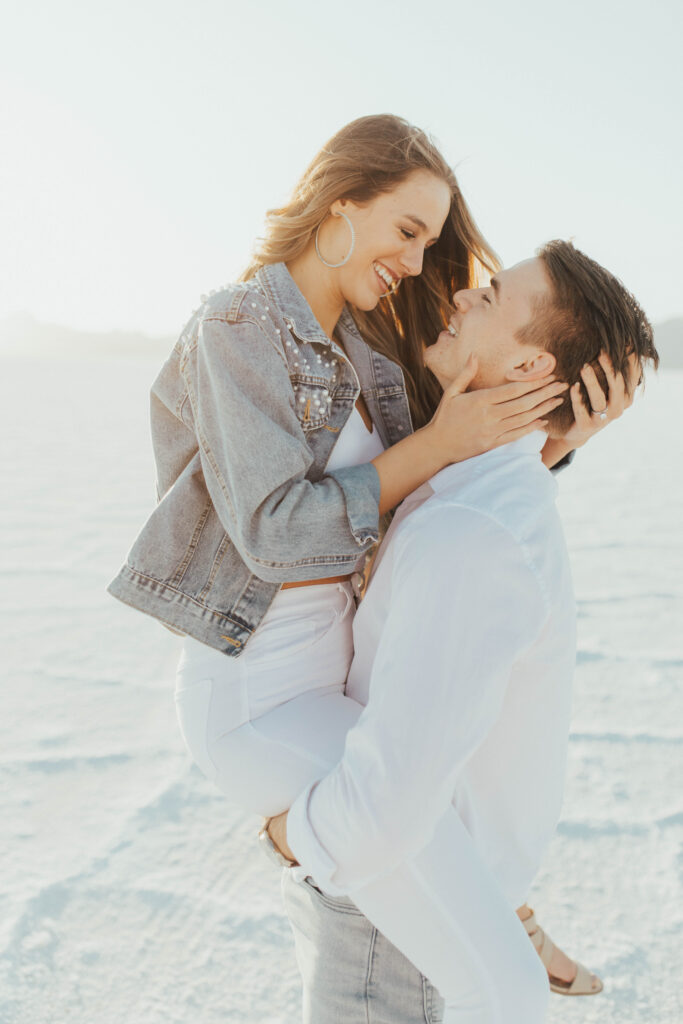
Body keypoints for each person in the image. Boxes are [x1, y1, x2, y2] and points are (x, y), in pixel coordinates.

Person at [107, 116, 628, 995]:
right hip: (259, 698)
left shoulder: (369, 355)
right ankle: (501, 924)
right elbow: (273, 534)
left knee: (434, 814)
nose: (421, 264)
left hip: (329, 686)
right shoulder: (234, 328)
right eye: (407, 231)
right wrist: (431, 447)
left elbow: (421, 503)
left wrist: (558, 435)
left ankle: (497, 908)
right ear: (339, 205)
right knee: (488, 961)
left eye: (430, 240)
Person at [266, 240, 659, 1023]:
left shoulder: (472, 533)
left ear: (526, 372)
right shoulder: (475, 493)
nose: (458, 297)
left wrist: (287, 833)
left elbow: (388, 808)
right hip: (402, 891)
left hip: (392, 910)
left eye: (490, 299)